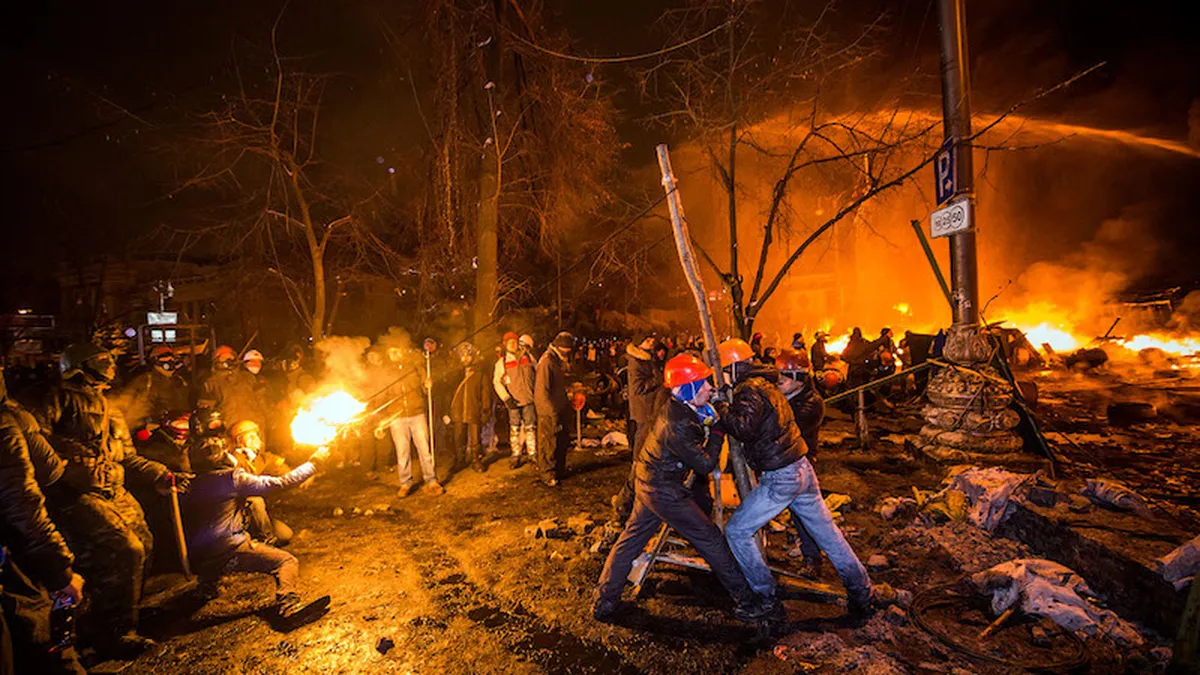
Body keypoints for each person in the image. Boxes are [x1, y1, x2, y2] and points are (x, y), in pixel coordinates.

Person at [35, 343, 187, 656]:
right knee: (125, 549)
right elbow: (35, 440)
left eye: (110, 359)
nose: (110, 365)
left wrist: (160, 472)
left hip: (113, 488)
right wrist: (67, 462)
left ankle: (121, 613)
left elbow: (127, 457)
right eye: (101, 359)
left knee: (143, 542)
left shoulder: (109, 405)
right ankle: (113, 634)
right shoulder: (56, 397)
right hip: (76, 492)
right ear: (80, 363)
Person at [593, 353, 768, 623]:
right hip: (663, 489)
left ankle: (605, 602)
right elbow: (705, 464)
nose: (710, 387)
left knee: (631, 540)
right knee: (710, 539)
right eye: (704, 383)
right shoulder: (677, 424)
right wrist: (719, 431)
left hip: (649, 481)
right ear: (688, 388)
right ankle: (746, 600)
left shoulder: (680, 408)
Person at [715, 338, 872, 618]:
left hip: (782, 475)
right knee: (828, 535)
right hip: (801, 468)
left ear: (732, 367)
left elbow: (742, 427)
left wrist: (721, 408)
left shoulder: (750, 389)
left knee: (737, 531)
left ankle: (764, 598)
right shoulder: (766, 384)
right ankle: (861, 591)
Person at [183, 417, 330, 624]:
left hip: (198, 556)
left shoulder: (189, 482)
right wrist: (315, 463)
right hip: (229, 550)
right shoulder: (231, 479)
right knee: (286, 561)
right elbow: (282, 482)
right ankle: (288, 605)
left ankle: (206, 586)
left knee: (216, 543)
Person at [0, 373, 87, 675]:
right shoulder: (6, 422)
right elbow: (20, 502)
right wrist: (59, 572)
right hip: (12, 563)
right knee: (41, 642)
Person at [378, 346, 441, 497]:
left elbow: (426, 389)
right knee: (402, 452)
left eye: (397, 350)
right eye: (392, 351)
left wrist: (428, 386)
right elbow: (382, 398)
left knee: (424, 449)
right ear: (388, 354)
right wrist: (381, 420)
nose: (395, 353)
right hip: (396, 417)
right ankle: (405, 483)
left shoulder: (415, 367)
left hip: (417, 413)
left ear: (403, 350)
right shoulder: (386, 372)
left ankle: (431, 480)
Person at [228, 418, 295, 546]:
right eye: (251, 436)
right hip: (236, 515)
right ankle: (266, 540)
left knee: (285, 534)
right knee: (255, 499)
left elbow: (283, 470)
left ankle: (255, 535)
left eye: (256, 435)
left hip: (254, 517)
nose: (257, 440)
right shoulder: (233, 461)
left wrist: (308, 470)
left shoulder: (261, 458)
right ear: (240, 441)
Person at [120, 346, 190, 440]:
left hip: (178, 429)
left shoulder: (179, 381)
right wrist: (142, 426)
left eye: (172, 357)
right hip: (153, 431)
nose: (170, 360)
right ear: (154, 360)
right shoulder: (145, 381)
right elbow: (132, 407)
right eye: (165, 356)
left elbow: (186, 404)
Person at [201, 346, 268, 438]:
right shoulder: (212, 383)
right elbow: (206, 411)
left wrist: (268, 418)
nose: (228, 359)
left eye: (230, 356)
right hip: (229, 432)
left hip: (253, 430)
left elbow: (262, 401)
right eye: (224, 357)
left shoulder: (248, 378)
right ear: (217, 360)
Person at [492, 332, 537, 469]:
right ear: (505, 345)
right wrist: (506, 398)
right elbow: (497, 382)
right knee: (515, 429)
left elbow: (538, 373)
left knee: (530, 427)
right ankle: (516, 455)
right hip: (513, 402)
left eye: (515, 341)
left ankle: (532, 453)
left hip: (529, 399)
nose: (513, 344)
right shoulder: (502, 363)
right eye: (509, 342)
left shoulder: (528, 357)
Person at [534, 332, 573, 487]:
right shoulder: (547, 362)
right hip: (549, 410)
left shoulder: (556, 360)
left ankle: (558, 469)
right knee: (548, 442)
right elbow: (542, 391)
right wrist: (550, 412)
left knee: (560, 440)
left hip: (559, 407)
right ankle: (547, 473)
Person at [449, 342, 490, 474]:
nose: (465, 358)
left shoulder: (479, 373)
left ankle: (475, 460)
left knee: (475, 438)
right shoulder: (454, 375)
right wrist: (446, 411)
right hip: (457, 410)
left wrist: (485, 409)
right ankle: (460, 460)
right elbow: (448, 394)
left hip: (473, 410)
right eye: (463, 356)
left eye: (468, 355)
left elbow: (485, 393)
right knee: (458, 437)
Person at [624, 335, 663, 452]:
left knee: (648, 435)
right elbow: (637, 387)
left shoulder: (647, 358)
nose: (651, 342)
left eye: (652, 340)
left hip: (649, 404)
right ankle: (637, 462)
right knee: (642, 435)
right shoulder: (636, 361)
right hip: (643, 406)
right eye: (647, 340)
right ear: (639, 343)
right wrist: (656, 380)